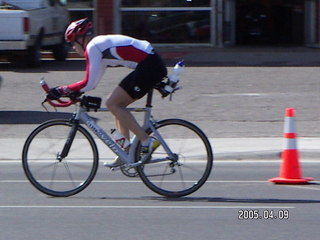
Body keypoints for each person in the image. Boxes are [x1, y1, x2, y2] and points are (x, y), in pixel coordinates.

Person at [47, 18, 167, 167]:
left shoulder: (93, 47)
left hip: (149, 66)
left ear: (81, 39)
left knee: (114, 104)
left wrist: (61, 89)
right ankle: (127, 152)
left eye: (72, 42)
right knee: (114, 104)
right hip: (149, 64)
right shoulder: (98, 47)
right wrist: (76, 91)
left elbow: (88, 83)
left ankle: (147, 141)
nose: (72, 47)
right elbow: (92, 83)